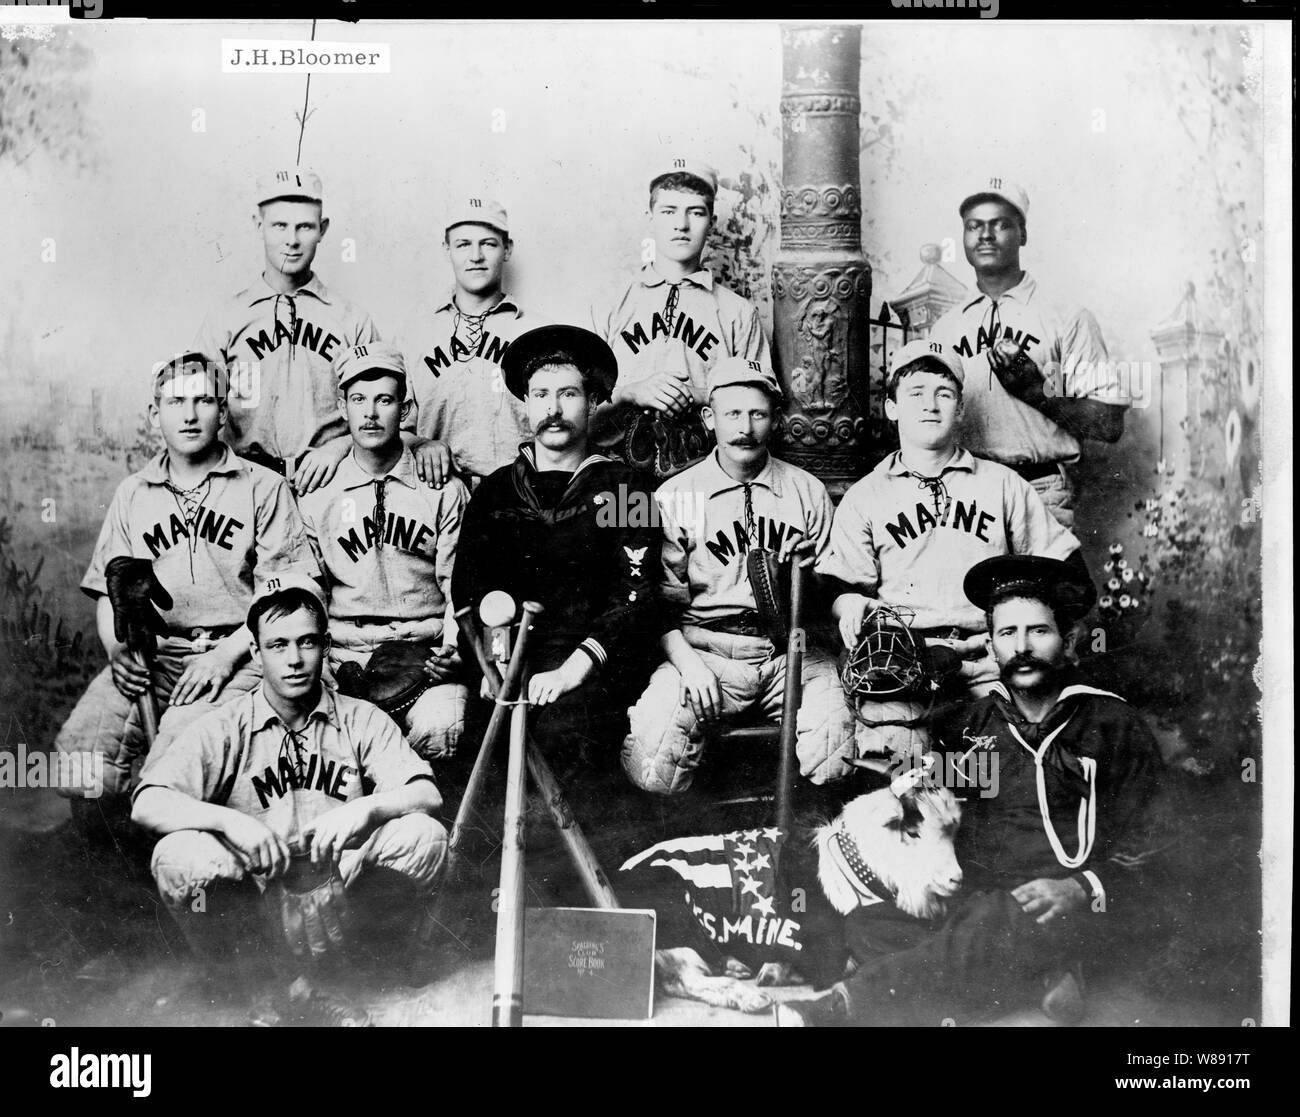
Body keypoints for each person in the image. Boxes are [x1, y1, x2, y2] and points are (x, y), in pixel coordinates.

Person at [778, 555, 1166, 1027]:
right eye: (1008, 634)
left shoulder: (1111, 725)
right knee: (869, 924)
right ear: (992, 645)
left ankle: (846, 1008)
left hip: (1073, 908)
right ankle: (1042, 978)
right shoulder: (976, 725)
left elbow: (1157, 853)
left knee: (991, 921)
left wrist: (1079, 889)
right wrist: (910, 781)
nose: (1022, 647)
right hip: (987, 910)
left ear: (1069, 640)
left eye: (1039, 632)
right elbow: (935, 806)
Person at [131, 575, 447, 1026]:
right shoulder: (226, 725)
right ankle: (267, 989)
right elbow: (148, 802)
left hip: (341, 901)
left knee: (423, 835)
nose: (295, 659)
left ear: (326, 645)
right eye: (278, 645)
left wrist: (371, 807)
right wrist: (228, 822)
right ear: (256, 654)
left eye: (307, 642)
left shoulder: (360, 718)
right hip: (259, 911)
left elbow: (427, 793)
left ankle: (346, 982)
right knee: (179, 854)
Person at [54, 352, 317, 816]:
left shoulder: (263, 486)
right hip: (153, 655)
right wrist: (118, 653)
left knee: (177, 756)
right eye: (176, 401)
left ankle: (185, 870)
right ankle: (112, 875)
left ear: (223, 410)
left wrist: (224, 656)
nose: (190, 414)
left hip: (238, 659)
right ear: (155, 414)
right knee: (83, 753)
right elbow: (105, 589)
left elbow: (288, 595)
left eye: (203, 401)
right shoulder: (134, 492)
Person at [817, 338, 1083, 772]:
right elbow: (840, 583)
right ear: (892, 408)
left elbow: (1063, 566)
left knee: (1014, 773)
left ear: (961, 409)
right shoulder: (866, 496)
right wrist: (846, 601)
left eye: (944, 394)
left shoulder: (1001, 484)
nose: (930, 405)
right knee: (900, 778)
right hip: (904, 664)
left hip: (991, 661)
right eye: (915, 393)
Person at [622, 356, 855, 796]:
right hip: (703, 650)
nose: (745, 427)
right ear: (709, 418)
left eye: (758, 414)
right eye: (732, 413)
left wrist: (811, 581)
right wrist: (688, 666)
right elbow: (654, 607)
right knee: (654, 766)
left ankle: (799, 846)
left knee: (837, 755)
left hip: (791, 651)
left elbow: (833, 597)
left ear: (777, 421)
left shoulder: (807, 491)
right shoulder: (677, 494)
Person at [450, 324, 661, 780]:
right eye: (541, 394)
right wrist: (494, 668)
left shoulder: (624, 488)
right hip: (507, 660)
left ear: (592, 401)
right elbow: (470, 585)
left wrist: (571, 672)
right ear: (526, 404)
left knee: (567, 743)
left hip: (590, 671)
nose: (554, 407)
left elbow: (636, 595)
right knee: (481, 753)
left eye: (568, 394)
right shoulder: (498, 490)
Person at [192, 168, 451, 495]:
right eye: (279, 225)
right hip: (246, 485)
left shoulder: (350, 319)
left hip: (329, 484)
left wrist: (339, 448)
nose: (292, 239)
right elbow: (196, 412)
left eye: (304, 226)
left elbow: (393, 411)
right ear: (259, 226)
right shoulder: (226, 320)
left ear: (322, 229)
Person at [296, 342, 469, 762]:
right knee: (325, 747)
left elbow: (459, 584)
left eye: (384, 400)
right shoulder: (319, 492)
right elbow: (308, 590)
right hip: (344, 653)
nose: (371, 413)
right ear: (342, 407)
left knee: (442, 729)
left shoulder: (442, 488)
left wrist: (456, 650)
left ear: (405, 409)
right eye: (359, 400)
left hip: (425, 649)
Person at [929, 177, 1129, 529]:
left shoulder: (1066, 316)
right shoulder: (946, 328)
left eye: (1000, 224)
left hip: (1040, 489)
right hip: (965, 492)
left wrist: (1038, 392)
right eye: (974, 226)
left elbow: (1110, 424)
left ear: (1022, 234)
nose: (985, 235)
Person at [590, 158, 769, 475]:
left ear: (712, 223)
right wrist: (631, 392)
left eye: (696, 212)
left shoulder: (738, 312)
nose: (681, 224)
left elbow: (762, 407)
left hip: (707, 477)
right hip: (615, 475)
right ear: (650, 218)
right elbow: (579, 407)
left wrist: (698, 394)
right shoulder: (610, 303)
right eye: (668, 211)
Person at [406, 198, 539, 485]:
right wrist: (419, 444)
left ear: (507, 249)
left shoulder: (536, 331)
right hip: (439, 493)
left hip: (518, 498)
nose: (476, 256)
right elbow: (394, 427)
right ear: (447, 250)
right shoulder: (414, 335)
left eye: (488, 244)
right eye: (463, 244)